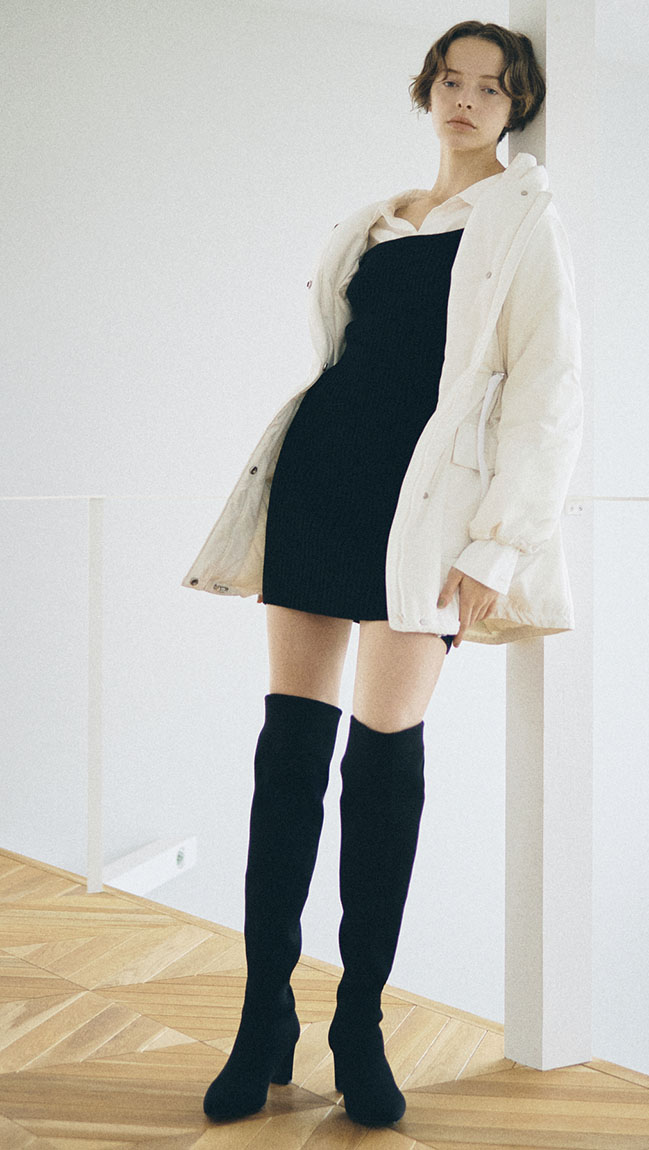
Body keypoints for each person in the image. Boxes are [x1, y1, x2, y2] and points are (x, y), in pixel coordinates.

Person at [183, 19, 582, 1130]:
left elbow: (549, 392)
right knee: (288, 754)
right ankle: (263, 1015)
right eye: (450, 81)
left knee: (384, 763)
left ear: (516, 105)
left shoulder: (523, 220)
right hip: (320, 482)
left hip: (427, 516)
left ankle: (357, 1021)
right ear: (426, 91)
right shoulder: (376, 220)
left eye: (490, 87)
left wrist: (497, 545)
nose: (466, 101)